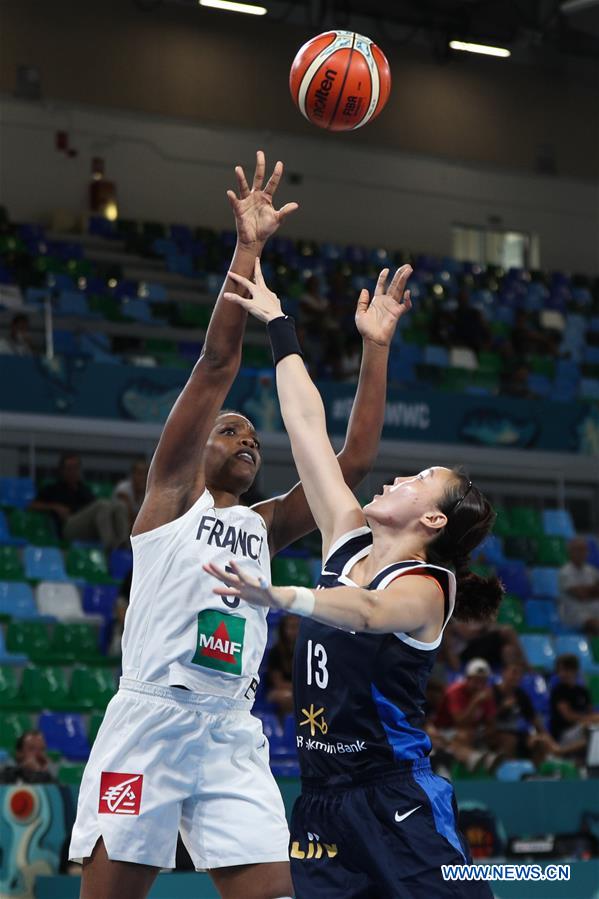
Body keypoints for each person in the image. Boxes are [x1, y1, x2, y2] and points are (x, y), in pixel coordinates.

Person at [69, 151, 412, 899]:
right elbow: (219, 359)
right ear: (196, 452)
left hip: (231, 732)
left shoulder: (264, 523)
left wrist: (374, 350)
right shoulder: (166, 500)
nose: (247, 439)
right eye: (231, 432)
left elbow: (350, 459)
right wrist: (248, 248)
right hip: (150, 722)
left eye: (254, 437)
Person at [206, 258, 503, 897]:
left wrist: (280, 594)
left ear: (430, 517)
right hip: (321, 802)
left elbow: (367, 613)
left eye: (418, 480)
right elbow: (307, 428)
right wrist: (282, 325)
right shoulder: (345, 540)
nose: (397, 476)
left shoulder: (426, 588)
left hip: (397, 799)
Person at [30, 453, 130, 552]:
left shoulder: (84, 489)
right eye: (70, 468)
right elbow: (33, 505)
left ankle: (125, 546)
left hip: (89, 527)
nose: (73, 471)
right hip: (69, 527)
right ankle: (110, 548)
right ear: (62, 470)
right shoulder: (53, 488)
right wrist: (55, 507)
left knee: (119, 505)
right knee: (102, 504)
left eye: (76, 468)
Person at [549, 654, 599, 760]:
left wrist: (592, 719)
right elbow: (568, 716)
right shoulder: (558, 691)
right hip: (565, 733)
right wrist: (588, 720)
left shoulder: (583, 691)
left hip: (583, 728)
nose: (562, 674)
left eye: (566, 670)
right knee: (590, 729)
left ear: (574, 670)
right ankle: (560, 751)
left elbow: (591, 713)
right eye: (559, 670)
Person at [558, 536, 599, 635]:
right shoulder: (565, 572)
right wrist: (593, 590)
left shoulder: (592, 571)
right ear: (570, 552)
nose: (582, 553)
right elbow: (581, 595)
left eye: (584, 550)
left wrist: (587, 590)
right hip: (574, 613)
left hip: (594, 610)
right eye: (578, 550)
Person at [265, 614, 300, 719]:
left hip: (297, 690)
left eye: (296, 627)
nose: (294, 631)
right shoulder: (275, 652)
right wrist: (299, 689)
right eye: (291, 627)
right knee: (288, 697)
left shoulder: (305, 652)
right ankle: (285, 731)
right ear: (283, 629)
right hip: (276, 692)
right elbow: (278, 684)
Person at [113, 459, 149, 530]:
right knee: (122, 506)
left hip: (134, 528)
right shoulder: (123, 487)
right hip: (115, 527)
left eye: (145, 474)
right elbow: (129, 516)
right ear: (132, 474)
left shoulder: (148, 491)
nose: (142, 477)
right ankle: (122, 540)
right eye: (139, 473)